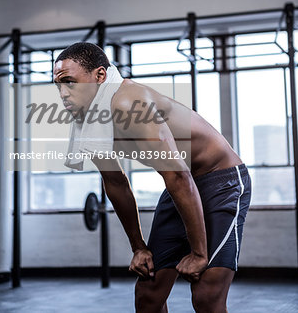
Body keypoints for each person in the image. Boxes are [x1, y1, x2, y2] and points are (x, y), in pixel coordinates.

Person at [53, 42, 251, 313]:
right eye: (58, 86)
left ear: (100, 76)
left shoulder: (128, 102)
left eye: (69, 82)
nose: (63, 93)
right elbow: (115, 182)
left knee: (206, 295)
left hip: (220, 180)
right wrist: (139, 247)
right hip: (181, 186)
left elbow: (179, 175)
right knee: (148, 294)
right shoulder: (87, 120)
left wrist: (199, 253)